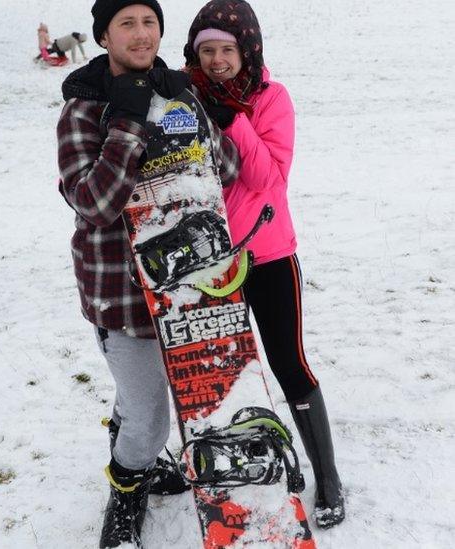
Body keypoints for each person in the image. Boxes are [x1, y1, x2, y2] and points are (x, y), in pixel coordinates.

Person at [56, 1, 240, 546]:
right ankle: (126, 487)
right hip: (121, 290)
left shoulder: (178, 93)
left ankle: (127, 438)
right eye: (127, 24)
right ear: (104, 36)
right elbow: (95, 203)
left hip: (189, 289)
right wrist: (130, 125)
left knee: (150, 400)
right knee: (153, 421)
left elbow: (225, 170)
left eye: (150, 23)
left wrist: (195, 120)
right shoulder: (82, 112)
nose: (141, 35)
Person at [183, 0, 345, 529]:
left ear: (246, 49)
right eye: (206, 50)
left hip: (268, 255)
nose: (216, 60)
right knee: (220, 376)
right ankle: (238, 468)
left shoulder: (271, 99)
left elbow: (268, 178)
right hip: (206, 263)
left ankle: (329, 477)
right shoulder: (182, 99)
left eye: (226, 49)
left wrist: (232, 119)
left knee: (288, 364)